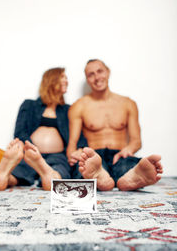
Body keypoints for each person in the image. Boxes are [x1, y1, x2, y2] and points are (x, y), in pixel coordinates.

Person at [66, 59, 163, 191]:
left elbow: (136, 141)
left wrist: (128, 149)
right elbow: (72, 143)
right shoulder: (79, 106)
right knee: (84, 168)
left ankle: (130, 177)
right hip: (95, 157)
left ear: (108, 72)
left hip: (120, 155)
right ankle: (99, 175)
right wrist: (74, 154)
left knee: (127, 165)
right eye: (91, 74)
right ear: (87, 79)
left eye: (100, 71)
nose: (97, 77)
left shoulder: (128, 103)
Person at [0, 67, 86, 191]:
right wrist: (32, 149)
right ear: (51, 80)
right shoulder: (29, 105)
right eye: (62, 77)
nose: (66, 81)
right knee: (20, 171)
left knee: (60, 169)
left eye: (66, 78)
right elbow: (20, 132)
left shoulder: (68, 110)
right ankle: (4, 176)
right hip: (30, 154)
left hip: (57, 155)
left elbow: (78, 134)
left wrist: (80, 149)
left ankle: (48, 174)